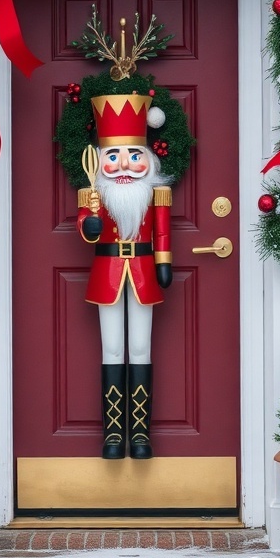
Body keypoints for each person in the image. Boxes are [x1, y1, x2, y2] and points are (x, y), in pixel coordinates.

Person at [77, 93, 172, 459]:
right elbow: (84, 229)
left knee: (141, 348)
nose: (124, 165)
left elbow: (162, 232)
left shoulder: (155, 194)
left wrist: (163, 261)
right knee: (112, 348)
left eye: (134, 155)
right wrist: (92, 222)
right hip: (108, 273)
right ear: (100, 159)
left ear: (147, 158)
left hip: (145, 272)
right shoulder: (92, 194)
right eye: (114, 156)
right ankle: (114, 434)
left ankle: (142, 435)